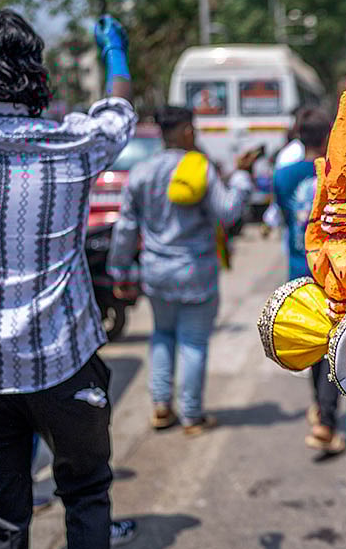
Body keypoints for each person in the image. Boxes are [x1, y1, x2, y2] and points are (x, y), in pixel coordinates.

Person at [0, 9, 135, 549]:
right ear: (34, 73)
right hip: (66, 364)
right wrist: (116, 56)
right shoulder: (74, 143)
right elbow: (119, 109)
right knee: (88, 495)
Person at [108, 106, 261, 435]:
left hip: (156, 271)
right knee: (192, 341)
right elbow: (229, 212)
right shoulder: (199, 168)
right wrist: (242, 176)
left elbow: (125, 228)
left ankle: (162, 406)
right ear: (188, 132)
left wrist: (120, 271)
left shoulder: (141, 171)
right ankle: (191, 415)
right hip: (195, 271)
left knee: (162, 335)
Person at [271, 108, 346, 455]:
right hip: (335, 271)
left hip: (299, 267)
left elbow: (287, 219)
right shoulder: (338, 174)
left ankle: (321, 412)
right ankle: (326, 422)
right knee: (332, 347)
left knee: (314, 342)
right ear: (327, 135)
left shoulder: (283, 175)